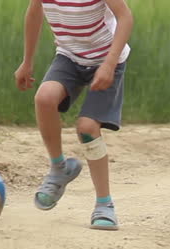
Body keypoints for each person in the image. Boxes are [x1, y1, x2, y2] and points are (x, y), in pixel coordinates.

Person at [14, 0, 133, 231]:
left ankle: (104, 204)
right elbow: (34, 12)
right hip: (69, 57)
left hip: (107, 59)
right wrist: (27, 62)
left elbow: (125, 16)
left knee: (87, 128)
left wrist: (109, 63)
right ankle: (60, 168)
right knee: (44, 98)